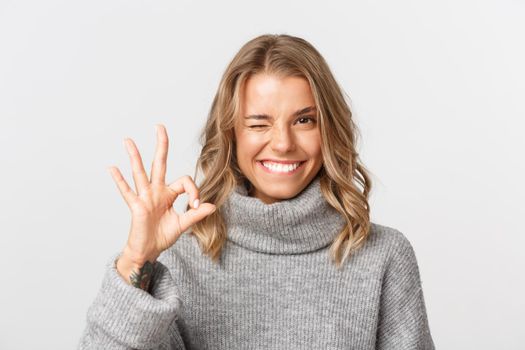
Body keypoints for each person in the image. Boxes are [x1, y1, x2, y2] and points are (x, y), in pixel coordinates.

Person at [78, 34, 435, 349]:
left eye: (304, 120)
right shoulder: (180, 257)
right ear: (231, 134)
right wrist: (137, 259)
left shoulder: (384, 257)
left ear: (329, 130)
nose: (282, 143)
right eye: (259, 123)